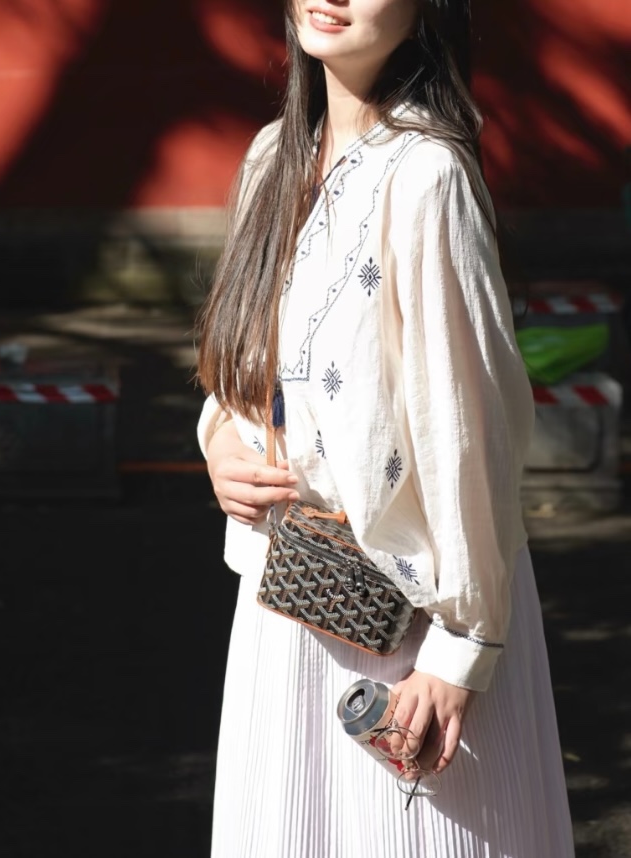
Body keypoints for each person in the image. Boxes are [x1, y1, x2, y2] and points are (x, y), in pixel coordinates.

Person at [193, 1, 576, 856]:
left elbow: (467, 426)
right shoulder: (270, 159)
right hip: (287, 598)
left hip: (413, 621)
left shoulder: (428, 176)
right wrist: (219, 441)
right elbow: (241, 366)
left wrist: (463, 645)